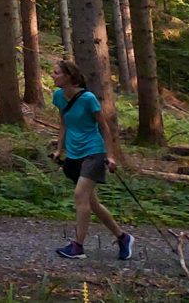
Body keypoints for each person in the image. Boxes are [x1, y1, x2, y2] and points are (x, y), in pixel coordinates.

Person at [51, 58, 133, 261]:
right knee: (91, 203)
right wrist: (59, 149)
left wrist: (110, 155)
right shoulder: (58, 96)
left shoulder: (88, 98)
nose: (53, 76)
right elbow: (63, 123)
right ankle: (123, 237)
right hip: (74, 154)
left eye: (56, 73)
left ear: (69, 76)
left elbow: (104, 127)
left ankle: (78, 246)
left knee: (80, 195)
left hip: (93, 151)